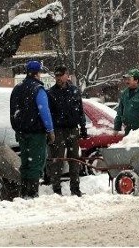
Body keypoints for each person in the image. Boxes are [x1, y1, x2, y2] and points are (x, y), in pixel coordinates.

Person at [10, 60, 55, 199]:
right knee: (36, 162)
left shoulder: (17, 88)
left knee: (26, 162)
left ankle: (23, 191)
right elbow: (44, 111)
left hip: (22, 132)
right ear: (38, 73)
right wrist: (50, 130)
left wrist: (17, 128)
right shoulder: (38, 89)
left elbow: (13, 111)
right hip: (36, 132)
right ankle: (32, 193)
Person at [46, 66, 88, 197]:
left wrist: (83, 127)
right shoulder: (51, 93)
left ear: (67, 75)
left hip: (72, 128)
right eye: (57, 75)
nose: (58, 78)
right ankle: (56, 189)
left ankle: (75, 188)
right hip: (58, 130)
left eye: (61, 75)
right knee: (57, 159)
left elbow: (80, 110)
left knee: (74, 159)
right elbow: (48, 113)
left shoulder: (74, 91)